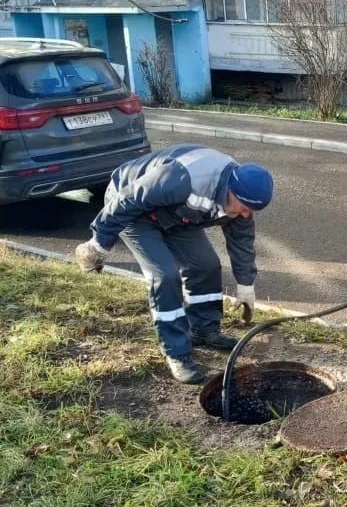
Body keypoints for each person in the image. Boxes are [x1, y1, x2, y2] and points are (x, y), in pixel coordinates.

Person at [74, 145, 273, 384]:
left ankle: (204, 329)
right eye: (243, 207)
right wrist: (99, 243)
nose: (244, 214)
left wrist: (245, 285)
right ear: (231, 190)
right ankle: (177, 353)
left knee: (206, 264)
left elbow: (242, 242)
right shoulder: (184, 178)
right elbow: (128, 200)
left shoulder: (241, 201)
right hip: (135, 212)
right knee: (165, 275)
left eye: (250, 211)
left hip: (178, 216)